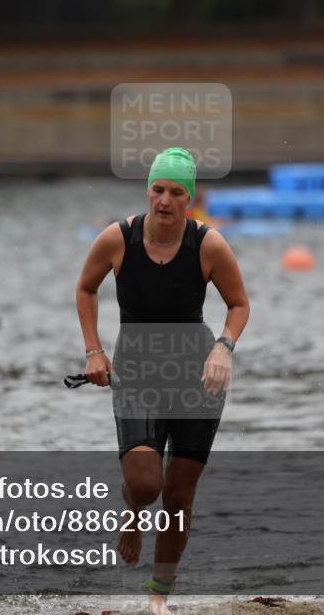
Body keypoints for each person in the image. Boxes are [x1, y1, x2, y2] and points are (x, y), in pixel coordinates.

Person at [75, 147, 249, 614]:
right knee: (147, 483)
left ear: (189, 199)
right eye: (158, 189)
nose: (165, 200)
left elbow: (239, 305)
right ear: (147, 190)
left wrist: (223, 348)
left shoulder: (208, 244)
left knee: (178, 495)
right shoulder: (118, 238)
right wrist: (94, 349)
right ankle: (133, 511)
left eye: (176, 192)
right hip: (136, 371)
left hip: (198, 376)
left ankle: (158, 597)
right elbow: (86, 287)